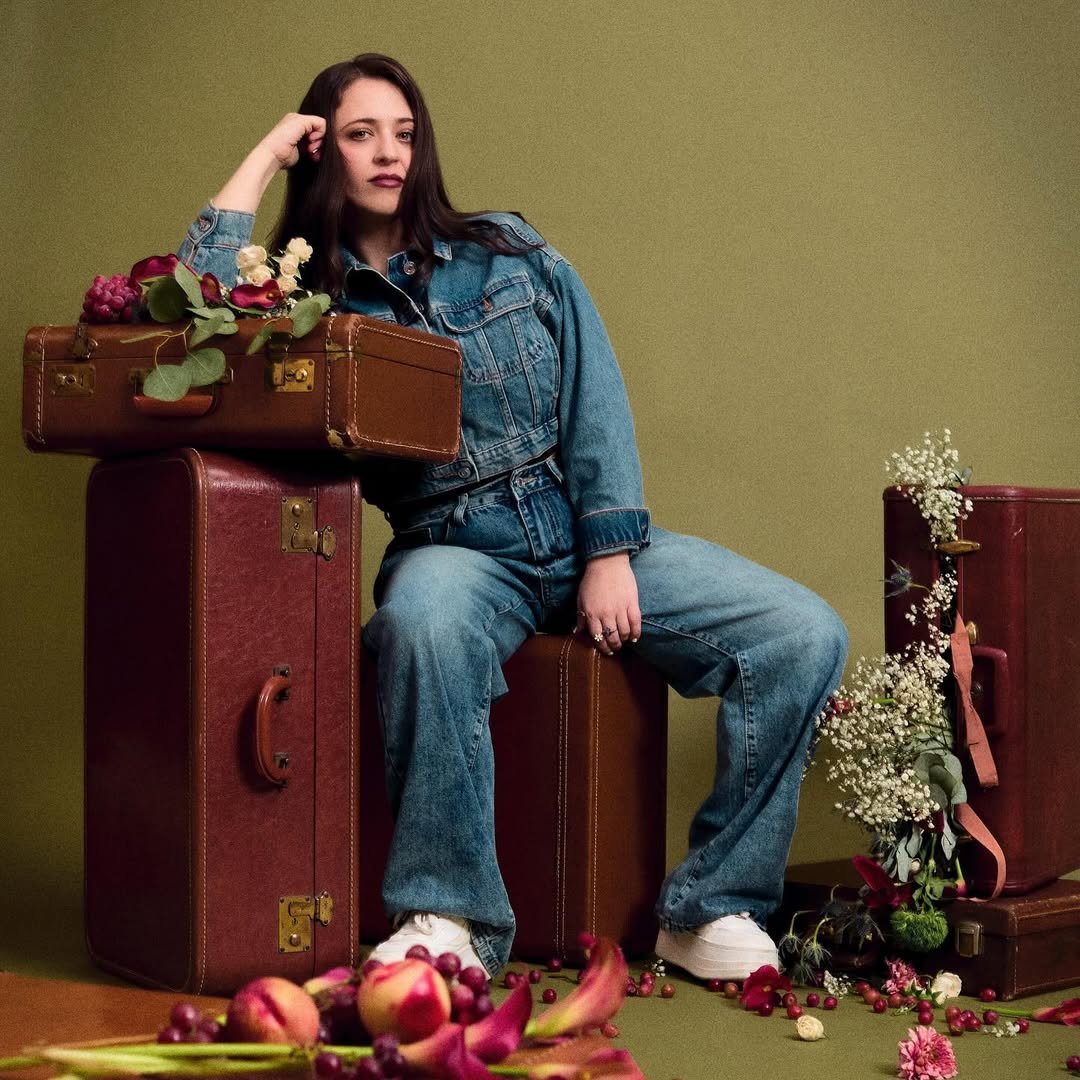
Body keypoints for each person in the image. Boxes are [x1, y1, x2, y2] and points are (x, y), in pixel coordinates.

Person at [178, 53, 848, 981]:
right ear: (322, 148)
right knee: (417, 625)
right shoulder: (302, 303)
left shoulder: (504, 247)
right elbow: (191, 314)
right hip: (452, 545)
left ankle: (710, 909)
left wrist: (608, 551)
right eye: (362, 133)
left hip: (576, 526)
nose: (389, 154)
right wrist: (262, 157)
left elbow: (594, 396)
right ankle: (445, 917)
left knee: (803, 635)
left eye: (405, 133)